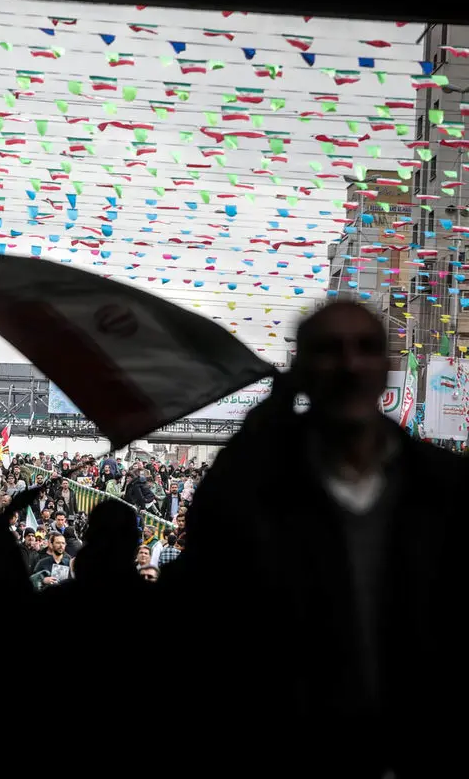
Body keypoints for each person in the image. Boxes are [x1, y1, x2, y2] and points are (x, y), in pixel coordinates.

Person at [168, 300, 462, 773]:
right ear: (301, 369)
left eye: (365, 348)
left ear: (387, 366)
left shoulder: (443, 488)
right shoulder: (249, 487)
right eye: (329, 350)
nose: (349, 366)